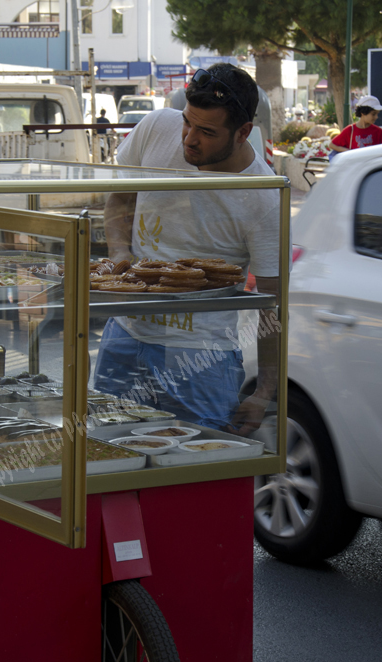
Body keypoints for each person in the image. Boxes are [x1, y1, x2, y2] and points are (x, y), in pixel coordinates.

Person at [98, 63, 282, 435]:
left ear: (243, 132)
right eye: (187, 122)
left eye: (207, 131)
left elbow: (273, 305)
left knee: (195, 473)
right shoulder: (155, 127)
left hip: (201, 357)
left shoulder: (264, 198)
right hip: (125, 334)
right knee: (105, 452)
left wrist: (264, 392)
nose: (188, 139)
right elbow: (119, 197)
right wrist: (119, 253)